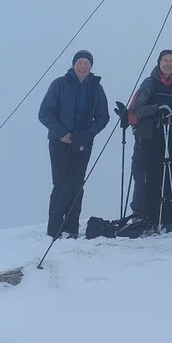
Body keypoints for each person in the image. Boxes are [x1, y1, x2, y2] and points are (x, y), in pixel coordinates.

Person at [38, 50, 110, 238]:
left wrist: (87, 134)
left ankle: (71, 229)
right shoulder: (60, 84)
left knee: (77, 184)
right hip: (59, 141)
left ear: (91, 66)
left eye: (87, 63)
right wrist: (61, 133)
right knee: (61, 183)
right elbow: (44, 113)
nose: (83, 66)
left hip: (82, 143)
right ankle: (54, 228)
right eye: (80, 62)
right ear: (73, 64)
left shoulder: (96, 87)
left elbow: (103, 117)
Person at [129, 49, 172, 233]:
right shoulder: (149, 83)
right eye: (165, 60)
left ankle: (168, 216)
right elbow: (137, 110)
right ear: (158, 63)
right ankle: (147, 215)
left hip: (170, 135)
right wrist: (158, 108)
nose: (168, 64)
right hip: (149, 137)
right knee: (149, 177)